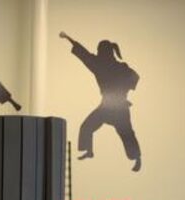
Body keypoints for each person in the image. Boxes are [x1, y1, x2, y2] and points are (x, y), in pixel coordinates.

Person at [60, 32, 142, 172]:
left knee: (126, 133)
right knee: (88, 126)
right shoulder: (103, 64)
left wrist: (125, 89)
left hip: (118, 107)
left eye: (99, 51)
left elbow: (84, 54)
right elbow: (84, 54)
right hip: (108, 106)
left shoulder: (112, 66)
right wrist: (69, 39)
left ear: (104, 52)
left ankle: (136, 158)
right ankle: (89, 150)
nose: (97, 53)